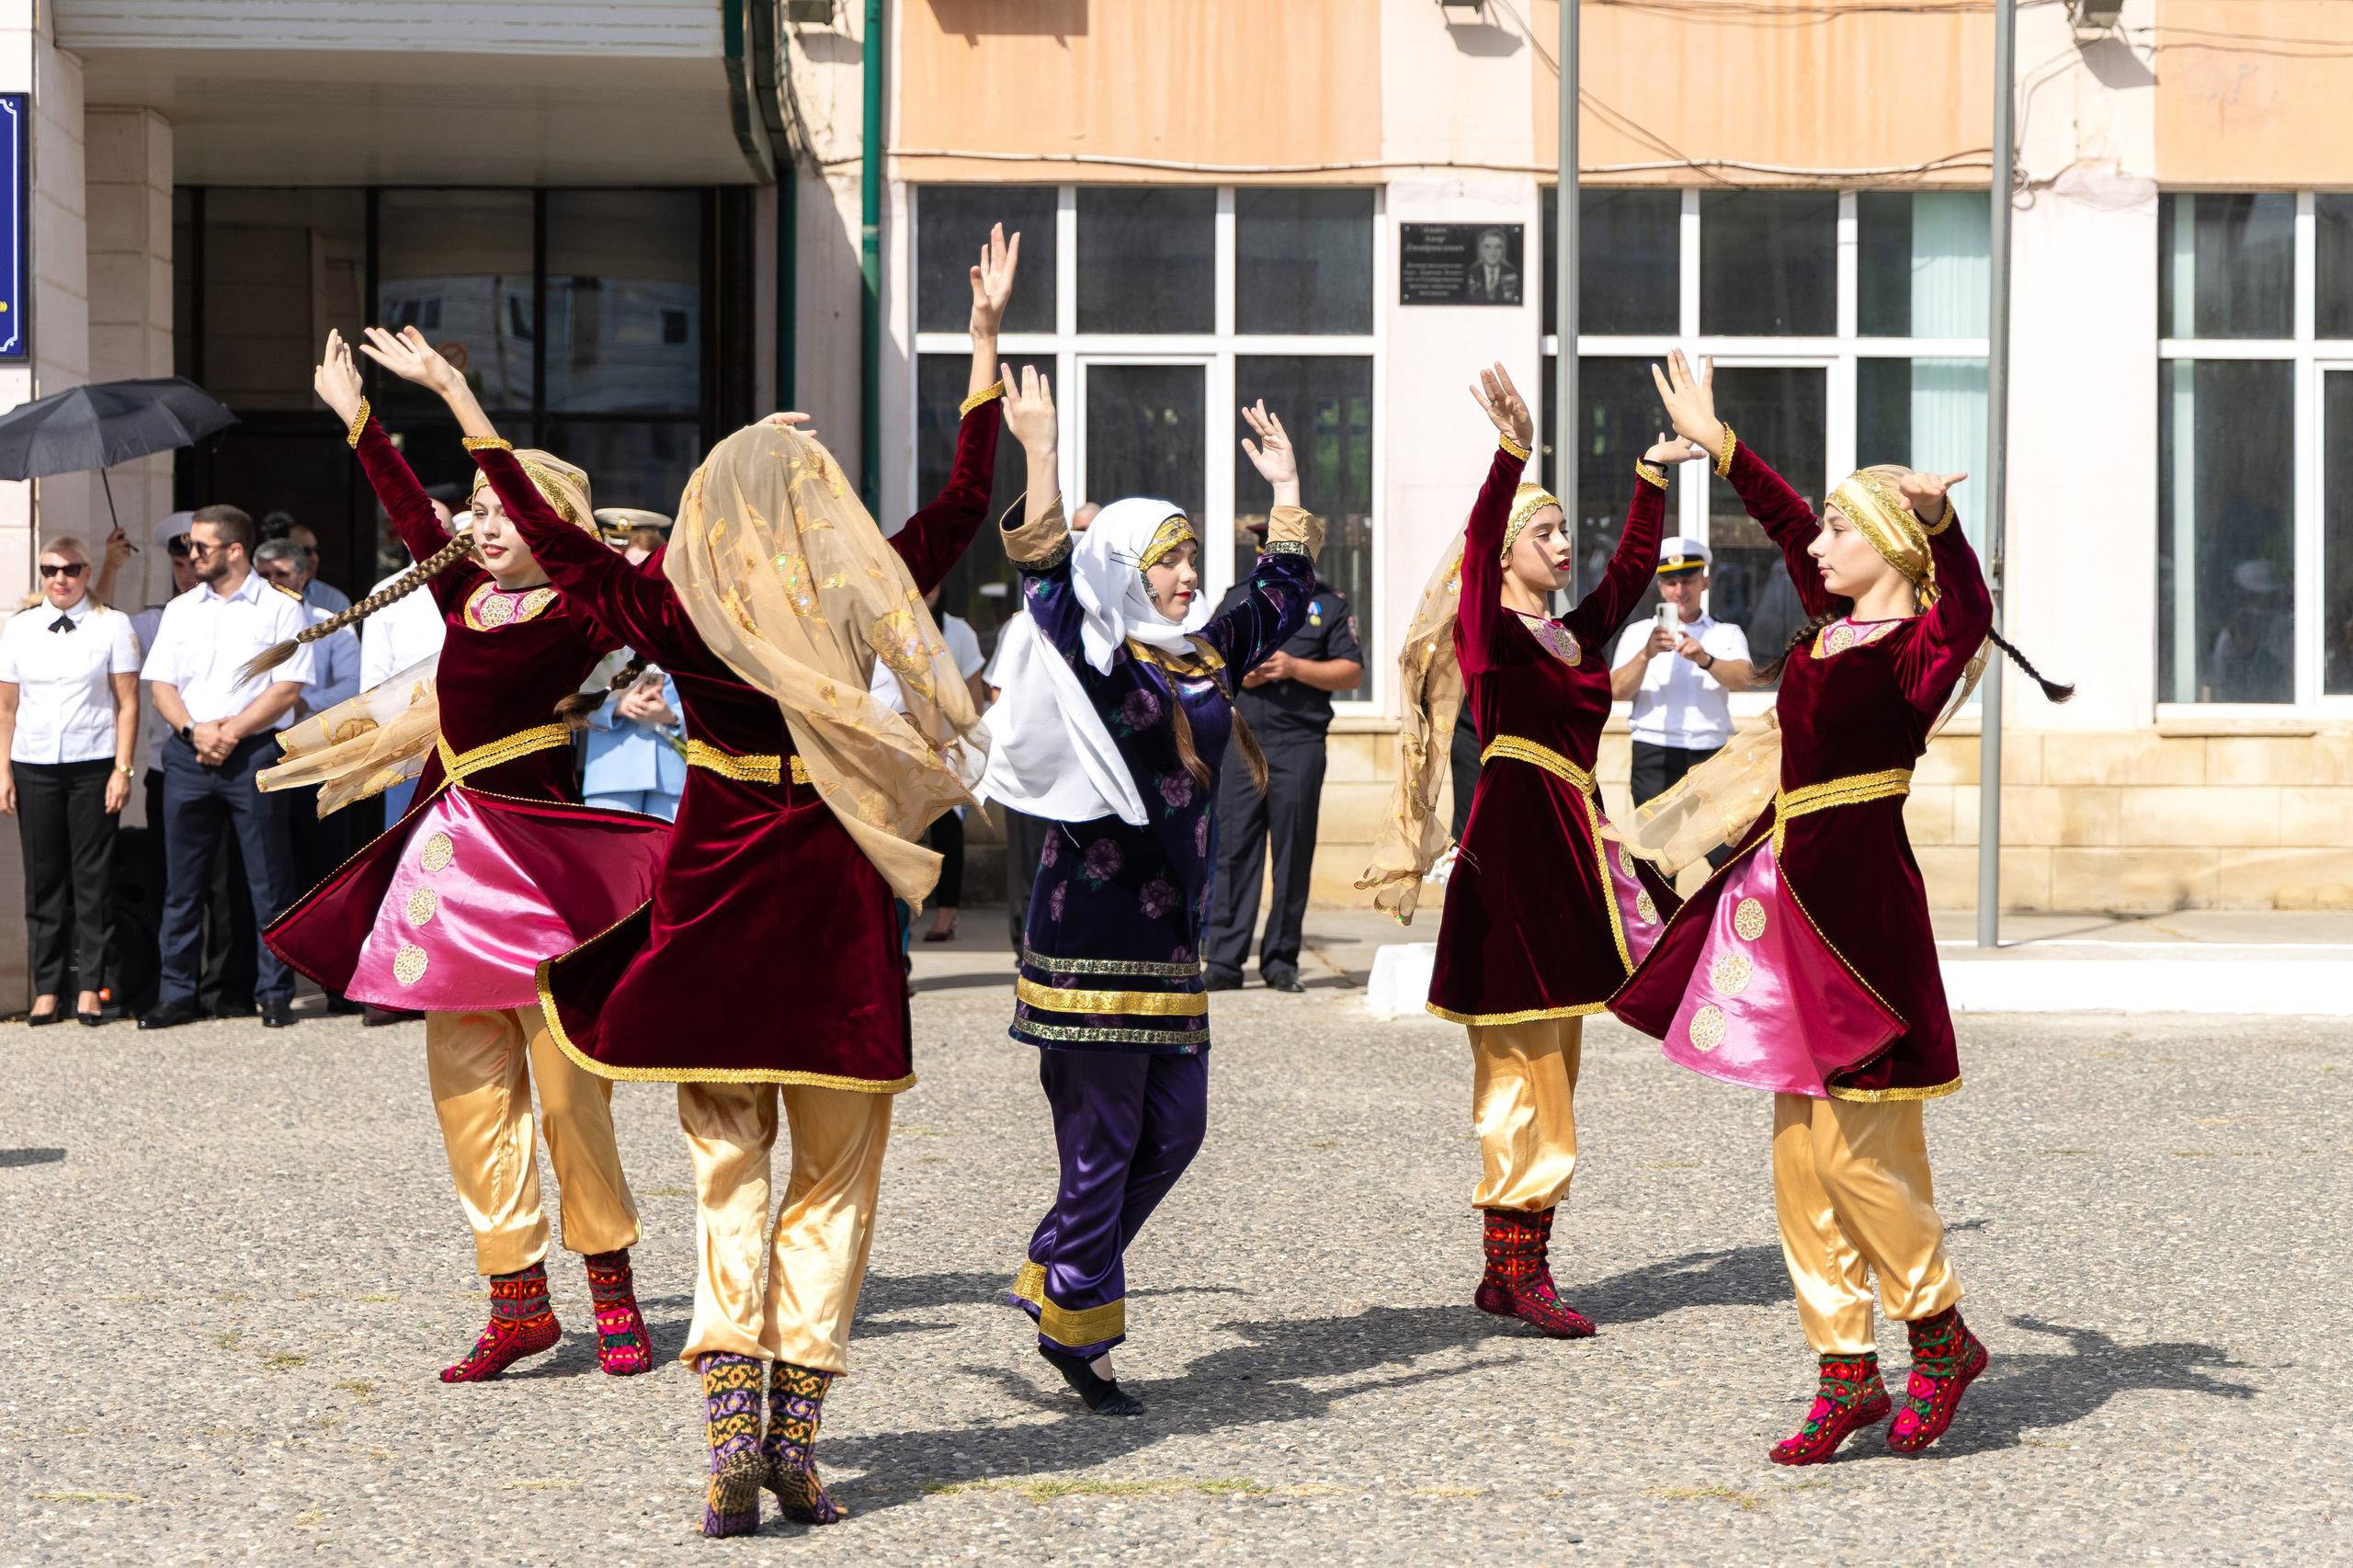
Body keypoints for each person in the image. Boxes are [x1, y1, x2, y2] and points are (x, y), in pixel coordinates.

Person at [388, 222, 1016, 1536]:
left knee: (727, 1167)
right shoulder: (859, 600)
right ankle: (792, 1437)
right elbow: (965, 506)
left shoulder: (676, 608)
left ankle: (732, 1437)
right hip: (831, 910)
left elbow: (564, 550)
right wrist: (980, 350)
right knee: (836, 1178)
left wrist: (459, 405)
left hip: (718, 899)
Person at [1611, 350, 2071, 1466]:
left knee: (1869, 1154)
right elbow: (1778, 522)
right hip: (1782, 904)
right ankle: (1844, 1367)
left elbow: (1967, 608)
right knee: (1801, 1159)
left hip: (1859, 921)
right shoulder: (1824, 629)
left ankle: (1940, 1331)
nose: (1814, 545)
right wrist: (1721, 447)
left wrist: (1946, 530)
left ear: (1893, 548)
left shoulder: (1917, 650)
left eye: (1837, 529)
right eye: (1817, 532)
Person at [261, 328, 673, 1385]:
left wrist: (453, 388)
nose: (482, 529)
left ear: (550, 527)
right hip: (453, 875)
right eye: (478, 516)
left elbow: (540, 524)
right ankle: (515, 1299)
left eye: (502, 514)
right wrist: (357, 420)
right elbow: (412, 512)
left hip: (542, 880)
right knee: (468, 1092)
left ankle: (611, 1284)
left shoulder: (585, 613)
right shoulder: (464, 599)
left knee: (572, 1091)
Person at [982, 390, 1317, 1418]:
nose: (1182, 575)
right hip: (1088, 928)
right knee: (1100, 1143)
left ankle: (1056, 1263)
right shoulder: (1097, 652)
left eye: (1187, 556)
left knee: (1178, 1130)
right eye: (1163, 560)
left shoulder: (1201, 651)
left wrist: (1290, 490)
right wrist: (1037, 451)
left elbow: (1278, 594)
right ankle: (1081, 1324)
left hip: (1167, 936)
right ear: (1123, 568)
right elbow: (1046, 578)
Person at [1362, 364, 1688, 1340]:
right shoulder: (1490, 636)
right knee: (1519, 1073)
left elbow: (1629, 577)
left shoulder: (1570, 639)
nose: (1561, 545)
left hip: (1571, 858)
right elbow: (1472, 546)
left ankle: (1519, 1262)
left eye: (1559, 532)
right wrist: (1511, 454)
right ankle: (1513, 1270)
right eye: (1543, 534)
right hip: (1511, 860)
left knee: (1558, 1066)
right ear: (1505, 555)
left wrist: (1651, 475)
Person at [137, 505, 317, 1031]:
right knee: (183, 883)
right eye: (189, 547)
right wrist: (197, 732)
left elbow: (288, 687)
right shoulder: (182, 609)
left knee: (269, 879)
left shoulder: (282, 608)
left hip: (254, 752)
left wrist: (230, 732)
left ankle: (275, 992)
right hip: (189, 755)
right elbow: (161, 686)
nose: (190, 556)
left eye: (200, 547)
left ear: (234, 551)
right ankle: (176, 993)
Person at [1202, 523, 1363, 993]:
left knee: (1293, 852)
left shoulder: (1329, 603)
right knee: (1233, 850)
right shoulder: (1238, 599)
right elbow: (1205, 664)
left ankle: (1280, 960)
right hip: (1241, 741)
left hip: (1300, 743)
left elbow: (1351, 671)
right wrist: (1239, 674)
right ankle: (1226, 962)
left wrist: (1293, 667)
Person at [0, 537, 142, 1025]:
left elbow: (128, 704)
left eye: (71, 569)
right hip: (33, 763)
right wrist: (3, 769)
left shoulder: (113, 624)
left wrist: (122, 770)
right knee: (42, 879)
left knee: (92, 879)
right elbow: (6, 707)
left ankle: (89, 986)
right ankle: (46, 989)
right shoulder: (17, 629)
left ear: (85, 573)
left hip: (93, 764)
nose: (59, 579)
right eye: (49, 570)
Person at [253, 537, 365, 1016]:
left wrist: (301, 704)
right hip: (262, 757)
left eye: (280, 575)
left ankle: (334, 981)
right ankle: (267, 988)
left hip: (321, 757)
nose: (272, 585)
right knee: (267, 872)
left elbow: (355, 686)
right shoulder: (247, 626)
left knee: (325, 871)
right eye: (264, 576)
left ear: (303, 577)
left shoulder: (328, 625)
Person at [987, 502, 1099, 947]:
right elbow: (998, 690)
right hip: (1034, 761)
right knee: (1029, 859)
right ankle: (1026, 943)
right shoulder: (1022, 625)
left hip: (1082, 763)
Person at [1608, 534, 1754, 814]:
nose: (1680, 591)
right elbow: (1616, 690)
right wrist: (1645, 654)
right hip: (1654, 751)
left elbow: (1745, 680)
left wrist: (1705, 659)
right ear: (1661, 587)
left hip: (1710, 752)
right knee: (1653, 852)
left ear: (1705, 582)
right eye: (1671, 583)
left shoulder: (1726, 632)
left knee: (1723, 851)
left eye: (1687, 581)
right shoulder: (1638, 633)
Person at [358, 516, 450, 827]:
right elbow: (374, 679)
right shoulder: (387, 592)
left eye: (443, 529)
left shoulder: (484, 586)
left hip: (467, 735)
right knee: (405, 835)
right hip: (407, 739)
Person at [905, 585, 985, 942]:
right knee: (904, 831)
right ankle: (904, 912)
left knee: (947, 832)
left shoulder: (958, 632)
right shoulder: (893, 626)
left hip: (948, 745)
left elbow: (974, 697)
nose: (929, 590)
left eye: (936, 582)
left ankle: (947, 911)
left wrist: (965, 747)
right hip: (903, 743)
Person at [582, 662, 686, 820]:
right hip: (612, 771)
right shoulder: (606, 643)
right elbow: (572, 702)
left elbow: (710, 699)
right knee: (611, 843)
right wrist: (616, 707)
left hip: (672, 772)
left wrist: (674, 717)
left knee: (667, 842)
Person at [1461, 228, 1518, 304]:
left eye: (1498, 247)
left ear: (1504, 250)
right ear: (1480, 249)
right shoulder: (1470, 272)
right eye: (1487, 247)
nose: (1493, 252)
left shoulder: (1514, 273)